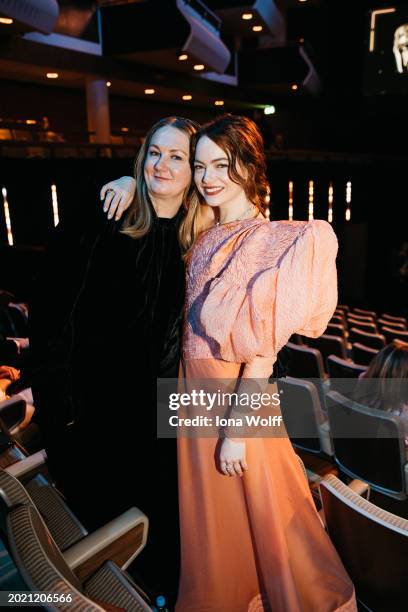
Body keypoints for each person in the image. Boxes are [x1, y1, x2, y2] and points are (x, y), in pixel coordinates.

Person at [104, 115, 357, 611]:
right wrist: (125, 180)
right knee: (216, 525)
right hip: (195, 395)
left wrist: (237, 430)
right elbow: (159, 198)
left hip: (234, 403)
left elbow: (261, 355)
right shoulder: (203, 226)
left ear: (250, 165)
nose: (207, 177)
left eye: (223, 165)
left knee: (265, 510)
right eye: (200, 165)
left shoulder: (271, 239)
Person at [29, 116, 200, 606]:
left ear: (194, 174)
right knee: (110, 545)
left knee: (160, 550)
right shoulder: (105, 214)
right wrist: (60, 409)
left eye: (177, 158)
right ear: (140, 156)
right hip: (93, 422)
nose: (161, 165)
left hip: (162, 428)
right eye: (154, 153)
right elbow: (50, 315)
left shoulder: (199, 243)